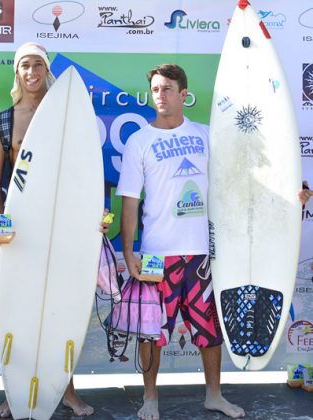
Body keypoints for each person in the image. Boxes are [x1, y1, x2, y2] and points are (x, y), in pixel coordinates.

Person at [116, 63, 245, 420]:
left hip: (202, 254)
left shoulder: (206, 135)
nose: (161, 95)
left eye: (168, 89)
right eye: (156, 89)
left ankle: (214, 396)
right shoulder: (139, 140)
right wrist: (129, 252)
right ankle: (151, 398)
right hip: (158, 256)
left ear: (184, 95)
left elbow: (235, 182)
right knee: (151, 332)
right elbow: (129, 200)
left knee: (209, 329)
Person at [0, 41, 94, 418]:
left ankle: (67, 390)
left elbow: (86, 175)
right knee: (21, 310)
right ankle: (13, 394)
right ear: (16, 73)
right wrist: (1, 221)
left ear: (46, 70)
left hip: (63, 226)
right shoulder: (4, 120)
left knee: (62, 307)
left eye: (37, 65)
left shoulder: (68, 114)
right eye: (24, 66)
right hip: (21, 229)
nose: (31, 72)